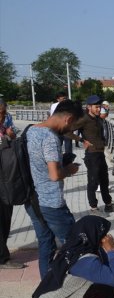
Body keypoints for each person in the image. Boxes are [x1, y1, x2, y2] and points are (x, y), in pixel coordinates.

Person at [25, 99, 84, 278]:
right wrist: (69, 169)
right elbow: (54, 175)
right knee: (75, 244)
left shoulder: (31, 130)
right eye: (73, 125)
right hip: (51, 202)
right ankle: (77, 286)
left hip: (32, 200)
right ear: (68, 119)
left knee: (45, 244)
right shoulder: (50, 137)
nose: (72, 130)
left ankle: (47, 288)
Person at [68, 95, 114, 213]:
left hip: (100, 154)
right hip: (91, 155)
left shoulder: (98, 118)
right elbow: (66, 132)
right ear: (89, 107)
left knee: (104, 180)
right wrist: (82, 140)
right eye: (97, 107)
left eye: (100, 107)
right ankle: (94, 207)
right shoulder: (84, 119)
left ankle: (108, 203)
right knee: (93, 182)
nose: (99, 109)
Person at [0, 100, 24, 269]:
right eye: (1, 113)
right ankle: (2, 258)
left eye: (4, 112)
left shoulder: (3, 129)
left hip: (5, 183)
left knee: (5, 219)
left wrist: (11, 137)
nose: (3, 116)